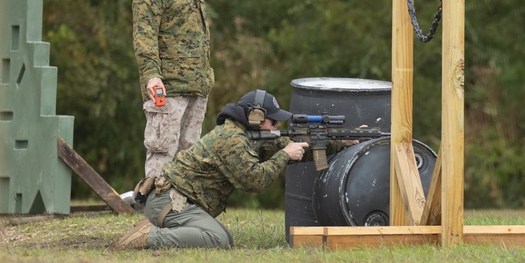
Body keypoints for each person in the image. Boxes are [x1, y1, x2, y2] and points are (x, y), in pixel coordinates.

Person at [114, 89, 355, 250]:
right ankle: (150, 236)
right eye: (273, 121)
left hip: (176, 201)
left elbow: (290, 145)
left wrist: (338, 142)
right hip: (171, 202)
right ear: (256, 118)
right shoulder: (233, 141)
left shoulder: (244, 135)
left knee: (224, 239)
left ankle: (157, 230)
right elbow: (255, 181)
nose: (277, 126)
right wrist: (284, 155)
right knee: (217, 239)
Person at [132, 0, 213, 178]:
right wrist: (152, 76)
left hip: (195, 85)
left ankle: (179, 215)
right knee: (162, 152)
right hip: (168, 88)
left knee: (189, 157)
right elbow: (144, 36)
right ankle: (157, 214)